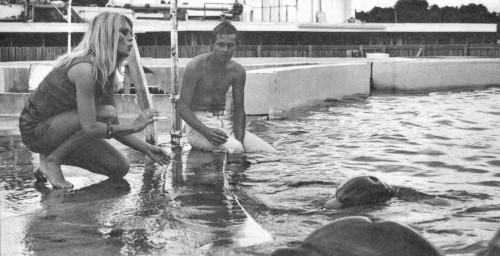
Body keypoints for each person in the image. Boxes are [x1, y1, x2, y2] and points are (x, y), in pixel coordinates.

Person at [18, 12, 170, 189]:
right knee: (106, 113)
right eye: (124, 32)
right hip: (36, 131)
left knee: (120, 167)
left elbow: (113, 125)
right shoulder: (85, 69)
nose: (131, 39)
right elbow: (91, 128)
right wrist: (135, 126)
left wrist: (147, 149)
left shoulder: (106, 72)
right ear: (106, 34)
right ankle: (52, 160)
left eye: (132, 34)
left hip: (61, 130)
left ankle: (49, 157)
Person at [178, 21, 276, 154]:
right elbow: (182, 108)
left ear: (236, 46)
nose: (225, 50)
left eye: (230, 45)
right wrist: (207, 132)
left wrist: (240, 140)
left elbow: (239, 111)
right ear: (212, 44)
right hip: (199, 127)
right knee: (235, 148)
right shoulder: (195, 66)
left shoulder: (237, 71)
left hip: (226, 123)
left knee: (270, 153)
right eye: (221, 45)